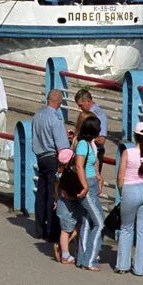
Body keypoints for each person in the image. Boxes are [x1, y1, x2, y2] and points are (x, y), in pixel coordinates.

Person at [116, 121, 143, 276]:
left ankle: (123, 265)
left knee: (126, 228)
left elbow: (120, 177)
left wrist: (123, 192)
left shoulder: (127, 153)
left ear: (134, 135)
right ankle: (140, 268)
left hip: (130, 190)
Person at [30, 89, 71, 240]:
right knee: (53, 195)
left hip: (40, 157)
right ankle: (51, 231)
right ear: (59, 103)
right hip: (52, 158)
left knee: (41, 193)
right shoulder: (55, 119)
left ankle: (39, 229)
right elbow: (62, 146)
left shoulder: (37, 116)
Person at [72, 115, 106, 271]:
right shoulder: (82, 145)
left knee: (87, 221)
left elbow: (94, 164)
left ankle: (82, 258)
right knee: (99, 223)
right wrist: (85, 186)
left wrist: (98, 177)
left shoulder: (91, 144)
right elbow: (79, 166)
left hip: (92, 183)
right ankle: (90, 259)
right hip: (85, 186)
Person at [75, 88, 109, 166]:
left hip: (95, 153)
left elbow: (101, 140)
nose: (79, 108)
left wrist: (82, 138)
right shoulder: (86, 113)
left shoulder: (99, 115)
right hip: (85, 151)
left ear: (88, 101)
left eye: (80, 105)